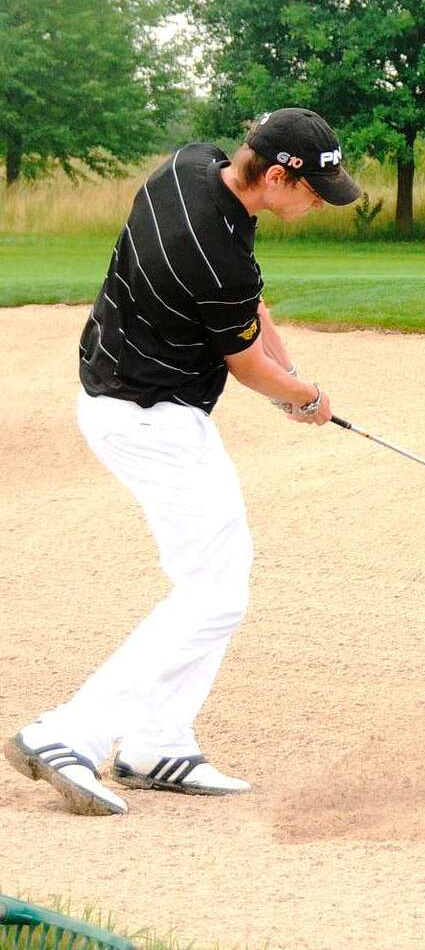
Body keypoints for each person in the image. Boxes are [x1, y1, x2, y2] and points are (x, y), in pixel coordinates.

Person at [4, 108, 361, 816]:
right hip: (148, 418)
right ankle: (67, 731)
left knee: (218, 578)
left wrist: (294, 380)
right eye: (316, 189)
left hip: (138, 402)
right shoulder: (208, 250)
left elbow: (252, 307)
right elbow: (246, 365)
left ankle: (154, 741)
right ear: (281, 172)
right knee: (213, 594)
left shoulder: (191, 168)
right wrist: (304, 396)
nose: (320, 202)